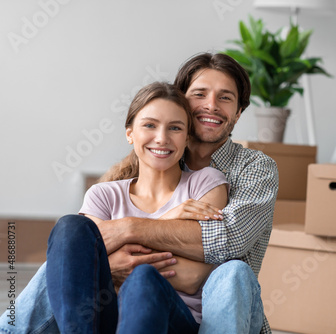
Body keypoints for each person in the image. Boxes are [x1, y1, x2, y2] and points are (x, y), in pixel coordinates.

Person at [0, 52, 278, 334]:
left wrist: (128, 231)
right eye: (200, 94)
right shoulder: (124, 179)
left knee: (215, 272)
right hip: (119, 310)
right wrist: (116, 257)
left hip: (215, 310)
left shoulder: (246, 170)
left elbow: (225, 245)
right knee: (69, 233)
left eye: (225, 98)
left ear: (239, 112)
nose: (211, 105)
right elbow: (74, 254)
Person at [48, 81, 230, 333]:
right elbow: (77, 260)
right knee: (70, 226)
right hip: (105, 318)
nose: (162, 138)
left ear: (187, 137)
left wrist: (115, 263)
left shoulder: (206, 184)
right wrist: (168, 221)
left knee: (144, 278)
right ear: (130, 133)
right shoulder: (104, 195)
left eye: (175, 128)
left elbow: (193, 277)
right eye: (149, 125)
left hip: (173, 318)